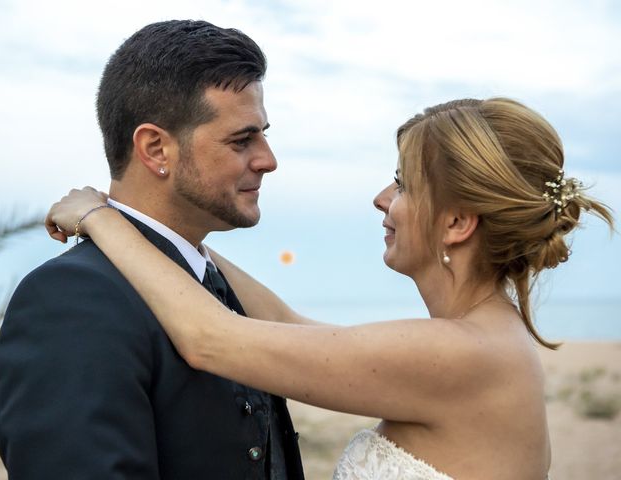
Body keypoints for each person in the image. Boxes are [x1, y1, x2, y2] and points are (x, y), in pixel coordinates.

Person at [45, 97, 613, 480]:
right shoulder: (482, 340)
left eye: (403, 183)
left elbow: (212, 340)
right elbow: (290, 327)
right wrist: (173, 234)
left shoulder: (464, 354)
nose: (382, 199)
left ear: (458, 223)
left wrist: (100, 216)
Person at [0, 20, 304, 479]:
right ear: (156, 149)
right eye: (242, 139)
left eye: (263, 134)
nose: (267, 159)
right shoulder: (70, 300)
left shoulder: (211, 280)